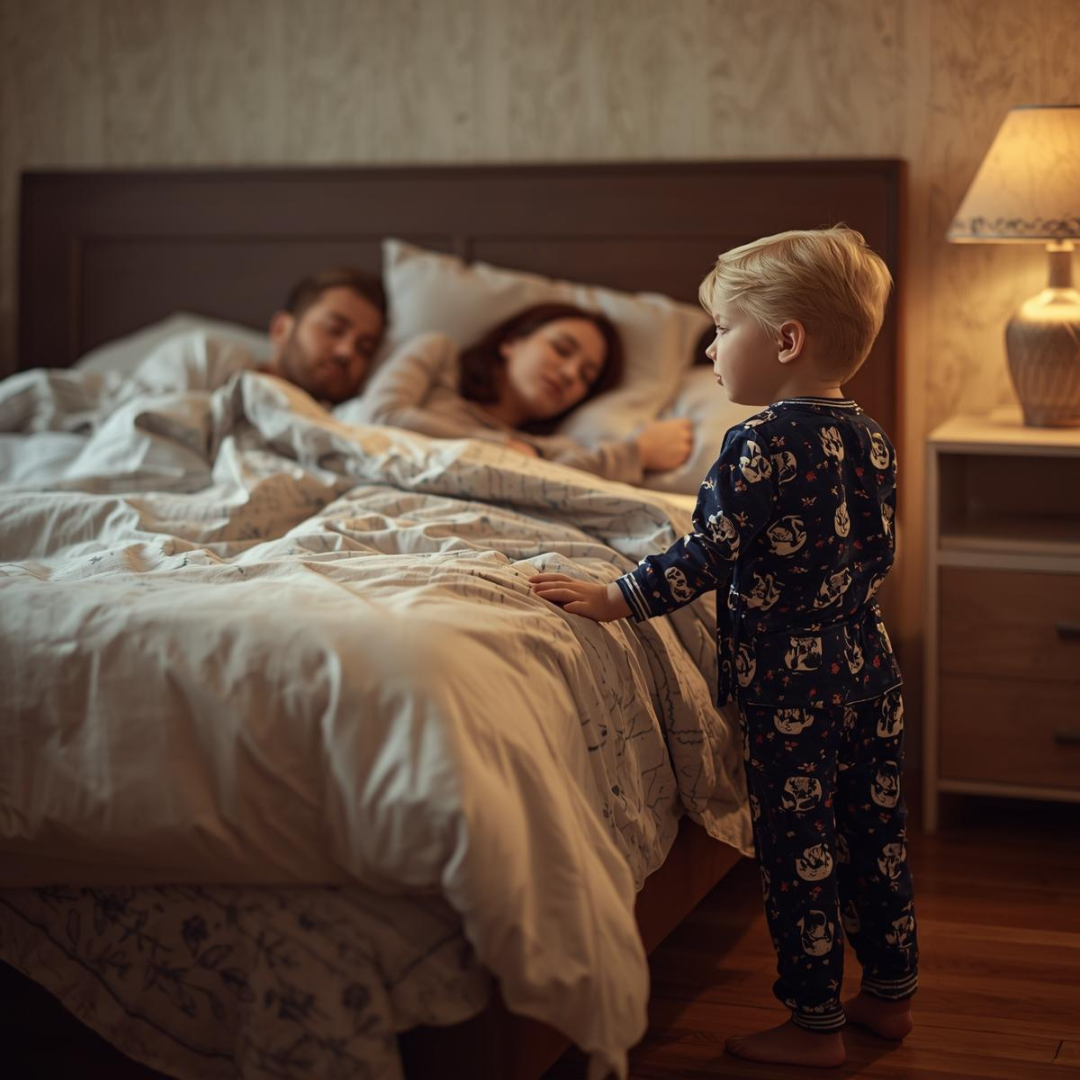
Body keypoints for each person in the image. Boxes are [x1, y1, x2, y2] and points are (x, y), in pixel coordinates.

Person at [530, 227, 917, 1068]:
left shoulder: (759, 442)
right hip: (871, 671)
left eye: (722, 328)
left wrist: (614, 598)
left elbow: (704, 555)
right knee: (874, 835)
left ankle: (814, 1027)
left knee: (799, 852)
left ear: (785, 341)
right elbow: (878, 551)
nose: (709, 347)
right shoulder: (872, 436)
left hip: (791, 690)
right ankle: (889, 997)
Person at [356, 303, 693, 483]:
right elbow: (381, 417)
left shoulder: (545, 448)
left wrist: (638, 452)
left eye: (586, 377)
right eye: (562, 350)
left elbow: (561, 478)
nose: (569, 374)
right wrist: (503, 450)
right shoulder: (438, 354)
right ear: (511, 342)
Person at [135, 266, 387, 405]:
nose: (347, 352)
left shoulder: (349, 425)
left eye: (365, 348)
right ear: (281, 328)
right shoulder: (206, 359)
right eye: (334, 329)